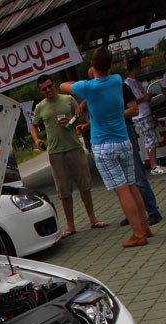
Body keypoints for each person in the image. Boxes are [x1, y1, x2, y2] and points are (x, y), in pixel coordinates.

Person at [61, 47, 150, 248]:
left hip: (103, 144)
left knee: (122, 190)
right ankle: (144, 227)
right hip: (123, 140)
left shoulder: (89, 87)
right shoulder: (116, 80)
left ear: (93, 65)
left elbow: (63, 86)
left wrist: (90, 74)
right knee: (132, 185)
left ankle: (137, 234)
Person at [31, 74, 107, 237]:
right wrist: (37, 139)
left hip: (74, 147)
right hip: (56, 152)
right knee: (64, 191)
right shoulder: (40, 107)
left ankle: (93, 218)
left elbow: (80, 116)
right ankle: (70, 225)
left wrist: (72, 122)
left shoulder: (68, 99)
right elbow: (34, 126)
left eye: (50, 86)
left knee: (84, 184)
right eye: (44, 89)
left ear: (54, 84)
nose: (48, 90)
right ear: (40, 91)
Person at [120, 81, 163, 227]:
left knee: (137, 175)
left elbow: (134, 110)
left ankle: (152, 210)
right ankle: (133, 211)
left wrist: (114, 116)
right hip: (111, 135)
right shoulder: (97, 89)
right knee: (122, 180)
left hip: (124, 130)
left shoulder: (119, 85)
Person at [125, 57, 166, 176]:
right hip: (140, 115)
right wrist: (144, 98)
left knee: (152, 138)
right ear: (134, 68)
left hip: (146, 112)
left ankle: (155, 163)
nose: (140, 69)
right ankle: (153, 165)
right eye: (139, 67)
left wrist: (152, 112)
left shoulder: (138, 82)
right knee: (149, 139)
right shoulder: (127, 84)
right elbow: (130, 102)